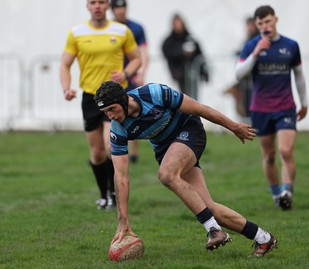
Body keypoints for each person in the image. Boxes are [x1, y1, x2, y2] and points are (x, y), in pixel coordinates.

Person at [94, 81, 278, 257]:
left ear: (123, 99)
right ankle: (263, 238)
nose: (110, 116)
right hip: (166, 149)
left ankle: (213, 231)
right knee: (209, 208)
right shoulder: (117, 129)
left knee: (166, 174)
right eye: (105, 112)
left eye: (112, 109)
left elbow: (199, 108)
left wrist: (234, 126)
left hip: (189, 130)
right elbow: (121, 177)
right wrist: (122, 220)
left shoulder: (154, 93)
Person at [59, 0, 141, 210]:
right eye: (93, 2)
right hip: (90, 97)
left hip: (115, 96)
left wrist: (126, 73)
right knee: (96, 153)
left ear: (108, 6)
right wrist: (66, 87)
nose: (97, 6)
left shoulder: (121, 30)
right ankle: (104, 194)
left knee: (109, 145)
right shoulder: (76, 32)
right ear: (87, 6)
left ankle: (114, 194)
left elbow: (136, 58)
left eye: (101, 2)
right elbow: (65, 64)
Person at [235, 5, 308, 210]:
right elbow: (238, 74)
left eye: (267, 22)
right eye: (260, 24)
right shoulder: (252, 46)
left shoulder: (291, 45)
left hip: (285, 107)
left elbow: (299, 76)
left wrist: (305, 103)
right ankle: (277, 195)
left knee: (285, 150)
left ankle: (287, 192)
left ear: (275, 20)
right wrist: (257, 53)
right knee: (269, 155)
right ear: (256, 25)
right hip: (260, 109)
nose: (264, 26)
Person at [110, 0, 149, 164]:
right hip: (112, 78)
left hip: (130, 76)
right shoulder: (107, 29)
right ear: (112, 10)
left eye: (123, 7)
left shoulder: (136, 28)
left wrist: (141, 73)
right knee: (112, 113)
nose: (120, 11)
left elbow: (144, 52)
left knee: (132, 111)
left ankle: (133, 152)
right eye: (117, 8)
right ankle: (113, 149)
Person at [162, 13, 209, 100]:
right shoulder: (169, 41)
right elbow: (167, 52)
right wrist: (182, 53)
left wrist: (204, 72)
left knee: (194, 95)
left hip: (193, 73)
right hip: (179, 74)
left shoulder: (190, 38)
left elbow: (199, 55)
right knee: (182, 96)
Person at [224, 17, 260, 118]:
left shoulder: (258, 39)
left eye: (251, 25)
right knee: (246, 103)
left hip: (255, 77)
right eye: (248, 25)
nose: (249, 27)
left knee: (252, 102)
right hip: (246, 77)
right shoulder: (247, 39)